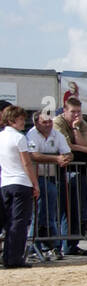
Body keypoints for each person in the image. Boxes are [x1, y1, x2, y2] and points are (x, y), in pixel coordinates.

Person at [25, 110, 74, 253]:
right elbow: (33, 155)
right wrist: (56, 159)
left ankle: (49, 244)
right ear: (36, 123)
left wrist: (67, 158)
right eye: (44, 122)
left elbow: (68, 151)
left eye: (50, 122)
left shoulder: (56, 134)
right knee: (40, 211)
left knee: (49, 211)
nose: (48, 125)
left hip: (51, 177)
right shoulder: (31, 134)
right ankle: (37, 244)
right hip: (35, 177)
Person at [53, 97, 87, 256]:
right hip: (62, 170)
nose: (76, 115)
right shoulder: (57, 122)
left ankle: (72, 244)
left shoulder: (81, 123)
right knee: (66, 209)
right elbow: (67, 146)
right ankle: (64, 245)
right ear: (65, 111)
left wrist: (76, 128)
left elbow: (83, 144)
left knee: (77, 208)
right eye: (73, 112)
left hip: (77, 167)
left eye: (79, 111)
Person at [1, 105, 40, 269]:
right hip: (21, 182)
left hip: (5, 183)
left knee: (8, 221)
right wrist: (35, 184)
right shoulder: (19, 138)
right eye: (21, 119)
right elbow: (26, 163)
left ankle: (7, 255)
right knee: (19, 222)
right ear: (12, 120)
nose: (24, 122)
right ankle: (14, 257)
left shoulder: (1, 136)